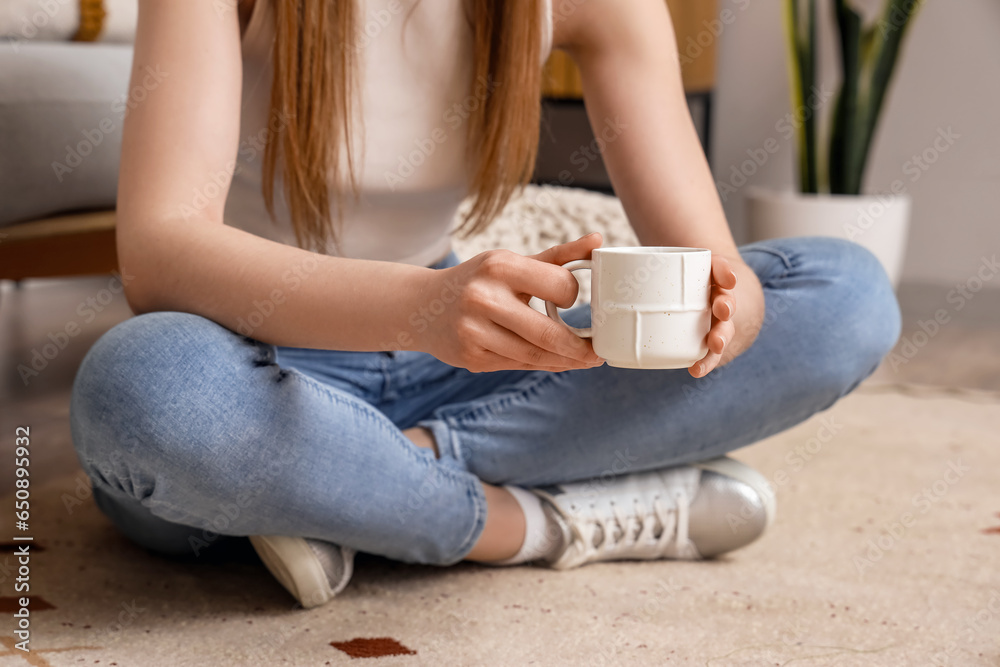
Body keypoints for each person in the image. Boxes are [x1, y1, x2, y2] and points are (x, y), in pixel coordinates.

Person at [69, 0, 900, 609]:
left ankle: (349, 493)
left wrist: (733, 306)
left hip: (458, 365)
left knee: (848, 296)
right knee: (143, 392)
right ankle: (526, 524)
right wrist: (422, 307)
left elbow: (710, 262)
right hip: (261, 369)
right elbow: (159, 252)